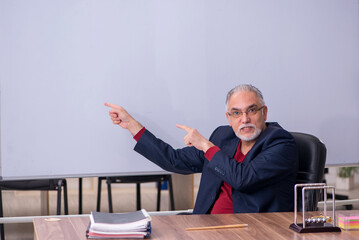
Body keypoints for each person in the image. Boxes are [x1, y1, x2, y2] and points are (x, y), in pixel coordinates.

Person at [105, 84, 298, 214]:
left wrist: (206, 146)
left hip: (249, 230)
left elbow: (244, 179)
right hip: (204, 225)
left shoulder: (280, 143)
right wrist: (132, 125)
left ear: (264, 112)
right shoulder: (224, 137)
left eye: (252, 110)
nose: (245, 119)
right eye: (236, 113)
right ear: (228, 118)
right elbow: (174, 160)